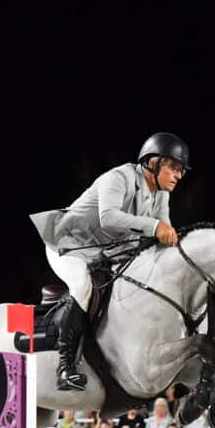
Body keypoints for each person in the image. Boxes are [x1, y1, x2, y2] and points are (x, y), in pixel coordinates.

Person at [30, 132, 192, 391]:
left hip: (102, 253)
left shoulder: (161, 194)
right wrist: (155, 227)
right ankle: (66, 366)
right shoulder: (118, 178)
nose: (179, 175)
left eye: (181, 170)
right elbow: (109, 218)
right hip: (68, 244)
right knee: (84, 287)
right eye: (173, 167)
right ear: (152, 162)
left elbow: (163, 231)